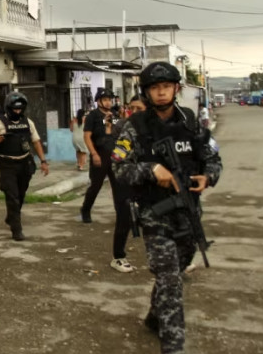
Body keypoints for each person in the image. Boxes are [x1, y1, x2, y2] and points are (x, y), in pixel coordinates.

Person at [112, 62, 222, 354]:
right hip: (154, 215)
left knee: (178, 268)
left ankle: (154, 316)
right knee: (170, 279)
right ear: (146, 92)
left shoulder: (190, 122)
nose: (161, 93)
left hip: (188, 213)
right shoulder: (134, 127)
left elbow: (212, 156)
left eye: (166, 87)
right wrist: (150, 170)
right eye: (155, 88)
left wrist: (208, 176)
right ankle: (173, 344)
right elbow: (119, 168)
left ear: (176, 89)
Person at [0, 92, 49, 241]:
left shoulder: (28, 122)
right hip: (7, 164)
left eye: (20, 109)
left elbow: (36, 142)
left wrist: (43, 161)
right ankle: (16, 230)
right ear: (9, 108)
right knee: (12, 196)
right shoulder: (0, 123)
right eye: (15, 109)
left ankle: (11, 217)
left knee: (20, 195)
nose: (18, 111)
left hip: (25, 163)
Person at [108, 95, 148, 273]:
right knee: (124, 217)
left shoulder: (155, 127)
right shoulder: (124, 126)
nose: (135, 112)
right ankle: (118, 257)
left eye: (139, 108)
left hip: (147, 179)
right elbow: (118, 155)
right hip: (124, 177)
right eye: (132, 108)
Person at [79, 87, 129, 225]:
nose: (108, 102)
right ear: (98, 101)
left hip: (114, 155)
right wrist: (94, 154)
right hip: (99, 154)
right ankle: (85, 210)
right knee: (95, 186)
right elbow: (87, 136)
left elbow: (120, 131)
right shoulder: (93, 116)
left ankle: (121, 214)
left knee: (118, 187)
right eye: (105, 100)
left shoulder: (114, 115)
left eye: (109, 100)